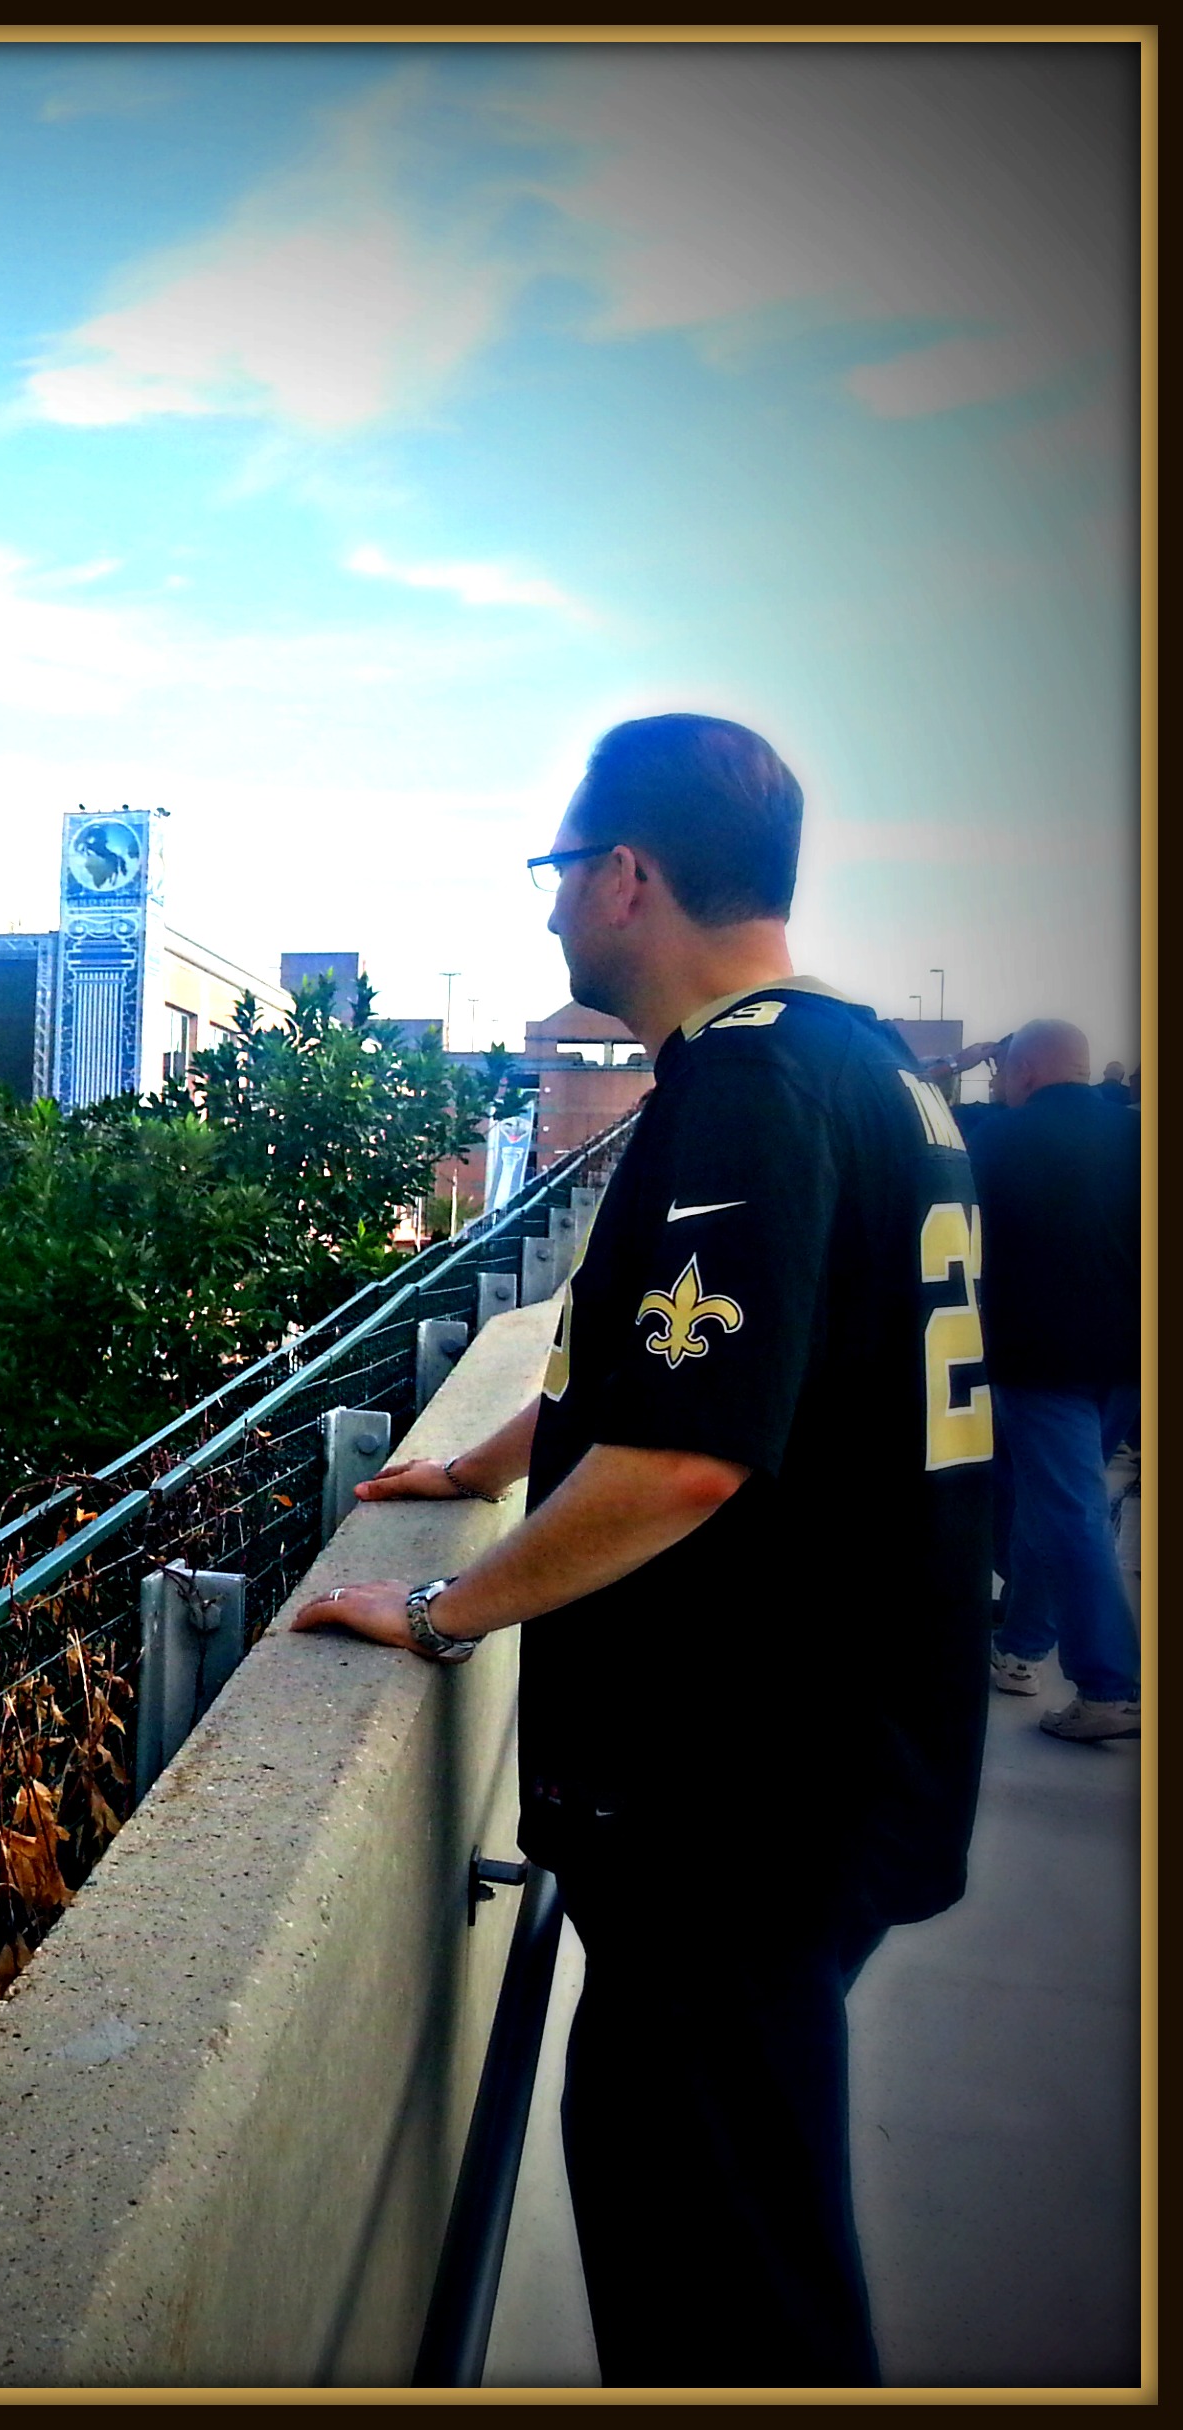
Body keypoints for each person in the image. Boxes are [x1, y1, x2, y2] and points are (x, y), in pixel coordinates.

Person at [291, 712, 993, 2388]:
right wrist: (478, 1461)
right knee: (718, 2213)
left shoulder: (750, 1087)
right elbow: (674, 1355)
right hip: (831, 1763)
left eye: (556, 870)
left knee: (725, 2282)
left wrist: (446, 1607)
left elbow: (686, 1454)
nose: (547, 907)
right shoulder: (856, 1063)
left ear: (626, 875)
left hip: (746, 1799)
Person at [965, 1019, 1143, 1739]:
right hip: (1128, 1365)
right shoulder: (1138, 1133)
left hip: (1040, 1363)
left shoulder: (996, 1141)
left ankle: (1112, 1686)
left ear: (1025, 1072)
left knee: (1069, 1512)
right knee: (1052, 1505)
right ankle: (1019, 1650)